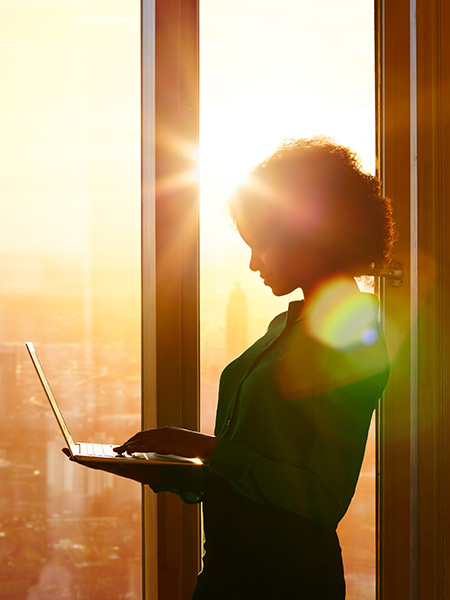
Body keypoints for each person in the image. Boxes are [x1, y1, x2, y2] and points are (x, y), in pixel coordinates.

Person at [69, 137, 395, 599]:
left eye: (260, 245)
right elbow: (255, 467)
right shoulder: (288, 326)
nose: (252, 263)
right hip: (229, 569)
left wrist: (206, 448)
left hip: (286, 581)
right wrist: (166, 467)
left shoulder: (351, 339)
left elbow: (321, 497)